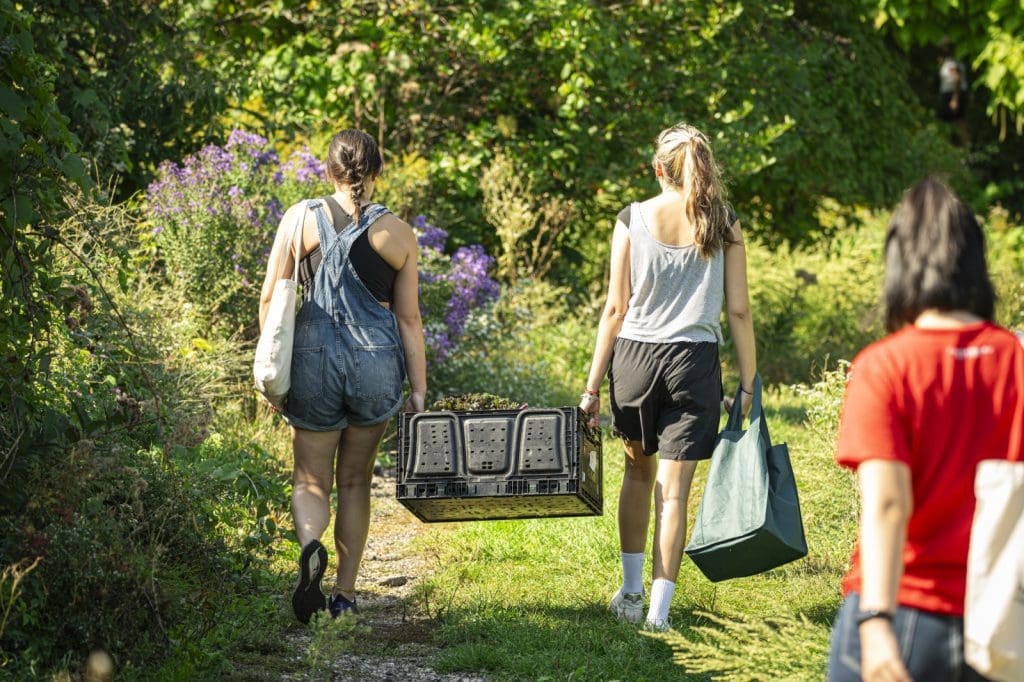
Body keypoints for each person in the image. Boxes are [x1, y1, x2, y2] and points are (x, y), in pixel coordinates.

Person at [826, 179, 1024, 681]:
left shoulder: (883, 367)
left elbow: (889, 504)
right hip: (1002, 613)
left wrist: (875, 623)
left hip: (903, 610)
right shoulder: (1015, 359)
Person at [580, 122, 757, 631]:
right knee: (674, 493)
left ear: (658, 168)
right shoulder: (724, 221)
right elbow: (739, 312)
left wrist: (592, 389)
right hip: (695, 364)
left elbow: (615, 307)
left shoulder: (631, 218)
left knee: (638, 474)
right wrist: (748, 385)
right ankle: (659, 614)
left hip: (635, 360)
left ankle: (632, 594)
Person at [258, 129, 427, 624]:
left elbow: (271, 299)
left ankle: (311, 547)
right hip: (375, 361)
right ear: (376, 173)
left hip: (310, 360)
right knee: (354, 481)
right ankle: (345, 596)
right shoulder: (397, 232)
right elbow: (409, 319)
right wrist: (417, 388)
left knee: (311, 477)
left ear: (328, 170)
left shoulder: (298, 219)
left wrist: (269, 372)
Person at [936, 40, 971, 149]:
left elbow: (957, 79)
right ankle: (963, 150)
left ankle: (951, 150)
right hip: (955, 93)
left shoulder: (951, 63)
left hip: (952, 94)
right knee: (958, 123)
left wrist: (955, 98)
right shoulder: (955, 61)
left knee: (953, 123)